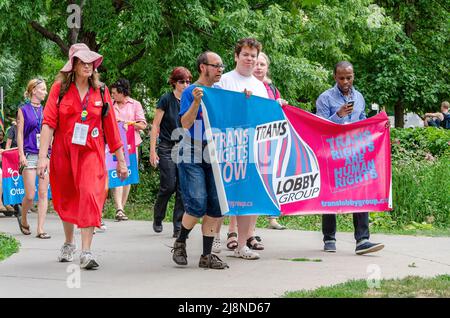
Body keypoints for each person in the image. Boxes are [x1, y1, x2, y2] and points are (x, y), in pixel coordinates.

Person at [37, 43, 127, 269]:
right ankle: (69, 242)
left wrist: (121, 160)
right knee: (66, 196)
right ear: (74, 65)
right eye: (82, 61)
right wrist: (42, 157)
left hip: (91, 151)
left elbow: (111, 128)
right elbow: (48, 123)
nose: (88, 65)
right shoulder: (59, 90)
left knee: (88, 194)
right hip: (63, 152)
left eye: (90, 62)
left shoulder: (102, 90)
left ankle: (86, 252)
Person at [316, 61, 384, 255]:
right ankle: (329, 237)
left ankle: (362, 239)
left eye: (349, 77)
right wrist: (338, 115)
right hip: (332, 153)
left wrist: (378, 127)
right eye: (341, 78)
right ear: (335, 77)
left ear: (353, 76)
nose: (346, 81)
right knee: (330, 193)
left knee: (360, 191)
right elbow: (319, 127)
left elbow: (362, 121)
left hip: (355, 152)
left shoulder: (359, 97)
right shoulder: (325, 98)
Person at [171, 51, 229, 270]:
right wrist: (196, 102)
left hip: (215, 152)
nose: (220, 70)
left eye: (222, 66)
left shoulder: (221, 93)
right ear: (203, 67)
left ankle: (206, 255)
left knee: (215, 206)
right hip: (192, 150)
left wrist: (246, 98)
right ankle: (180, 242)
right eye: (216, 66)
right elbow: (184, 124)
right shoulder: (189, 92)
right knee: (196, 203)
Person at [216, 38, 268, 260]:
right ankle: (214, 236)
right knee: (222, 194)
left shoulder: (260, 86)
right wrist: (239, 102)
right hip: (226, 148)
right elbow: (216, 112)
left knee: (248, 196)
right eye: (245, 54)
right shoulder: (224, 81)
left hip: (251, 149)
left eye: (253, 56)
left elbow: (264, 118)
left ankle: (242, 245)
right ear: (236, 56)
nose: (250, 59)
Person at [150, 67, 191, 237]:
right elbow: (155, 126)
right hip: (167, 146)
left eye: (188, 81)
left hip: (185, 147)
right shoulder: (166, 99)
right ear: (174, 82)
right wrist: (153, 150)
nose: (185, 84)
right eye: (182, 81)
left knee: (182, 188)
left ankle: (178, 226)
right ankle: (158, 217)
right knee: (168, 186)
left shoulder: (190, 99)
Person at [253, 52, 287, 230]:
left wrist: (280, 103)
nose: (258, 67)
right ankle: (245, 225)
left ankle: (272, 217)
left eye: (262, 64)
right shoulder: (244, 85)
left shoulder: (272, 89)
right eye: (256, 64)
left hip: (269, 138)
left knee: (271, 176)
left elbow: (277, 112)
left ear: (267, 67)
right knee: (253, 178)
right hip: (251, 137)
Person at [16, 79, 51, 239]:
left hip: (44, 154)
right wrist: (21, 154)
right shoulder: (23, 110)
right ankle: (23, 218)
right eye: (43, 89)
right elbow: (20, 134)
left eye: (45, 89)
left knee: (43, 193)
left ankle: (40, 228)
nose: (45, 92)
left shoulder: (47, 110)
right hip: (29, 153)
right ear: (34, 90)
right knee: (30, 195)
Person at [110, 78, 147, 221]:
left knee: (128, 176)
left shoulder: (135, 104)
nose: (113, 96)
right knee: (116, 174)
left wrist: (127, 123)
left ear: (122, 92)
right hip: (115, 146)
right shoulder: (111, 105)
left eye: (114, 93)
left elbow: (143, 125)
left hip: (132, 145)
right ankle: (119, 207)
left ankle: (121, 209)